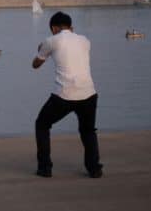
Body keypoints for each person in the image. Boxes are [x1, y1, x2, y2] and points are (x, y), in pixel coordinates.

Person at [32, 11, 103, 178]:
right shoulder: (85, 40)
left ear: (54, 28)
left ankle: (45, 168)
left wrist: (42, 49)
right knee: (88, 131)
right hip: (88, 93)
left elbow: (35, 64)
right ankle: (94, 168)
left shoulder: (51, 41)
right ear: (71, 27)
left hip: (64, 94)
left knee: (42, 124)